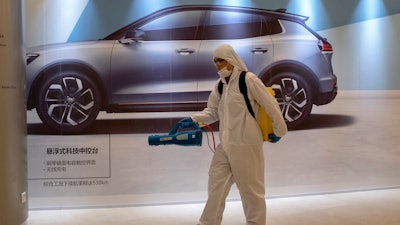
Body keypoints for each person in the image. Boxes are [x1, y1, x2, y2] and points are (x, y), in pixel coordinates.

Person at [182, 44, 287, 225]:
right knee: (216, 187)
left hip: (247, 145)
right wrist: (194, 119)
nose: (217, 65)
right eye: (215, 62)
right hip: (226, 146)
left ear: (230, 60)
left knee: (251, 192)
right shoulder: (220, 86)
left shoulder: (249, 80)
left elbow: (271, 105)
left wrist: (279, 130)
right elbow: (212, 112)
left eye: (220, 61)